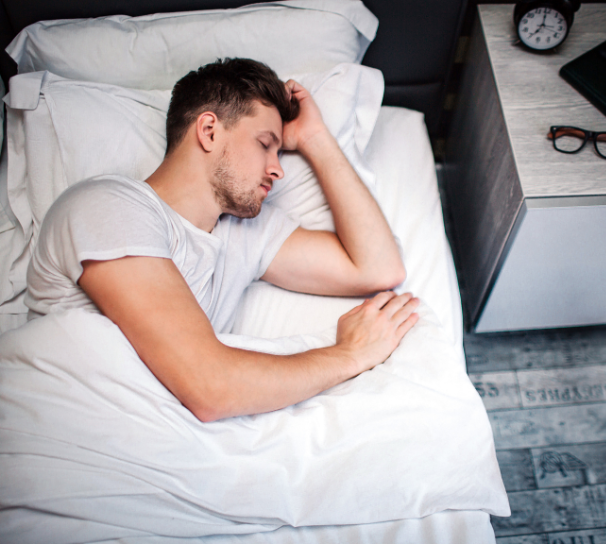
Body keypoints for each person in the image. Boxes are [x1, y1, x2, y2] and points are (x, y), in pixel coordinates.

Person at [25, 58, 419, 422]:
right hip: (75, 428)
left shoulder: (245, 235)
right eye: (265, 144)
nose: (278, 169)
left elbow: (378, 268)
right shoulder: (108, 205)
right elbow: (209, 387)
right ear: (209, 130)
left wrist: (316, 138)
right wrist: (349, 354)